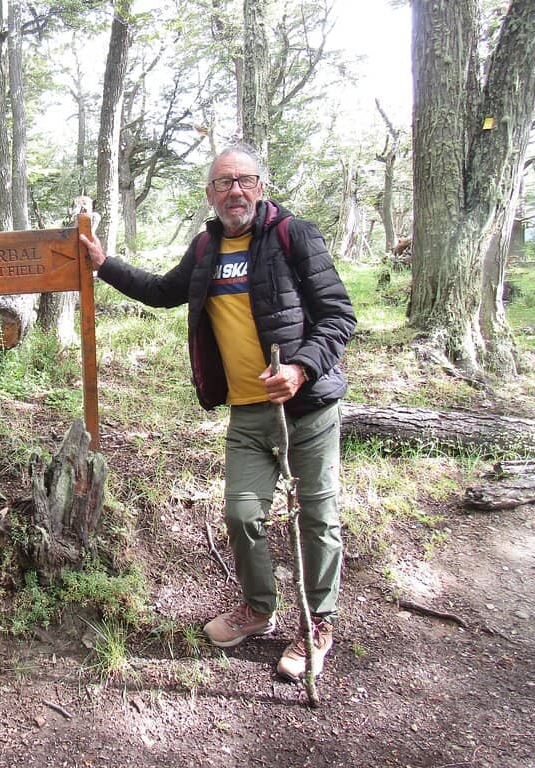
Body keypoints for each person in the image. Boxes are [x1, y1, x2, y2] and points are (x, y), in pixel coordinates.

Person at [80, 144, 356, 681]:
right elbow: (164, 291)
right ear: (210, 193)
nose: (235, 191)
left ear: (261, 185)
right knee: (242, 514)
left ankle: (317, 624)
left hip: (307, 409)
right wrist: (105, 265)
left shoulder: (293, 236)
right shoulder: (206, 246)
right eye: (224, 182)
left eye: (245, 180)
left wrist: (300, 368)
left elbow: (338, 315)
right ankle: (259, 608)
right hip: (249, 414)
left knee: (318, 519)